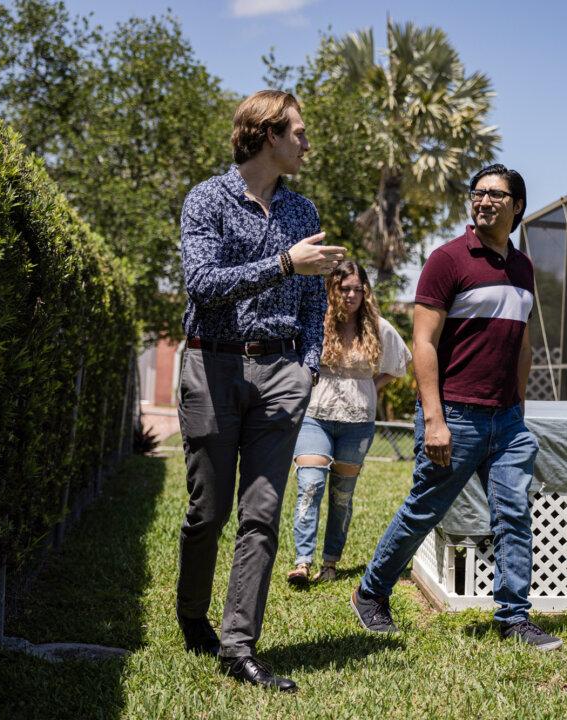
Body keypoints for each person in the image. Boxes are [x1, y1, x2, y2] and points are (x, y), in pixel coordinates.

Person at [350, 163, 562, 651]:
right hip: (457, 415)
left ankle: (513, 617)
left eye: (496, 194)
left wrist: (520, 411)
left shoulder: (524, 268)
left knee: (513, 515)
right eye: (478, 192)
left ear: (518, 206)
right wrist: (434, 419)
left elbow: (523, 344)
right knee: (423, 511)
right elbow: (423, 344)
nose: (483, 200)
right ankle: (371, 593)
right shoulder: (447, 260)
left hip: (507, 420)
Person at [175, 89, 346, 692]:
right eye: (298, 132)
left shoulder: (303, 211)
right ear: (268, 135)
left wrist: (307, 367)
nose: (306, 142)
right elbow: (202, 284)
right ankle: (191, 613)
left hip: (281, 375)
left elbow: (312, 300)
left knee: (263, 514)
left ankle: (239, 644)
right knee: (209, 511)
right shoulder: (208, 200)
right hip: (213, 367)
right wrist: (282, 264)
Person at [285, 261, 412, 587]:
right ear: (333, 290)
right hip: (316, 416)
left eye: (357, 288)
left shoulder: (377, 327)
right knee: (310, 484)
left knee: (341, 497)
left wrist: (370, 387)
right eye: (345, 288)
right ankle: (302, 561)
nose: (352, 294)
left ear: (365, 291)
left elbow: (401, 363)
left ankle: (330, 562)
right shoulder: (317, 321)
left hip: (357, 423)